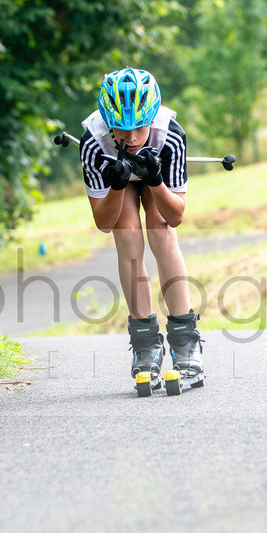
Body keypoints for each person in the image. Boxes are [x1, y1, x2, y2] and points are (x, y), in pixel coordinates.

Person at [79, 67, 203, 387]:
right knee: (129, 236)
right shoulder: (93, 143)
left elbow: (176, 215)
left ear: (152, 118)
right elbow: (104, 224)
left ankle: (184, 339)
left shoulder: (170, 134)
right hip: (117, 186)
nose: (131, 138)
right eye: (120, 129)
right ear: (107, 122)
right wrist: (118, 186)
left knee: (161, 231)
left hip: (154, 179)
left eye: (139, 128)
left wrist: (155, 179)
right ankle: (146, 345)